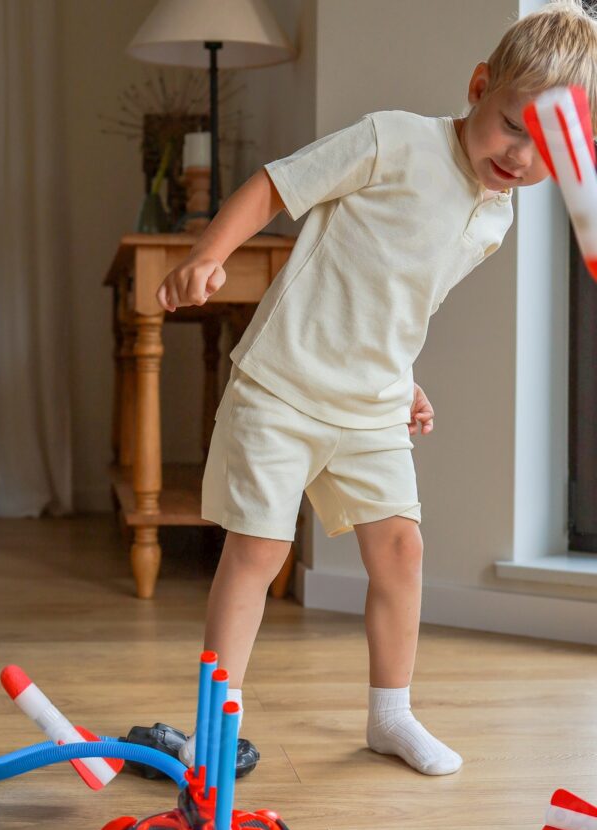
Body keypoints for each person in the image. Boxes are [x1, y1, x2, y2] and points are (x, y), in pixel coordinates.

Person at [156, 1, 597, 775]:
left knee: (401, 551)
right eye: (511, 125)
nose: (522, 157)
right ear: (479, 86)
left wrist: (407, 378)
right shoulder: (395, 140)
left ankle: (390, 716)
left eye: (546, 146)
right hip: (284, 388)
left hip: (371, 404)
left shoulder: (497, 220)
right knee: (258, 551)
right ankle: (212, 731)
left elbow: (397, 297)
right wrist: (208, 252)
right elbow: (273, 185)